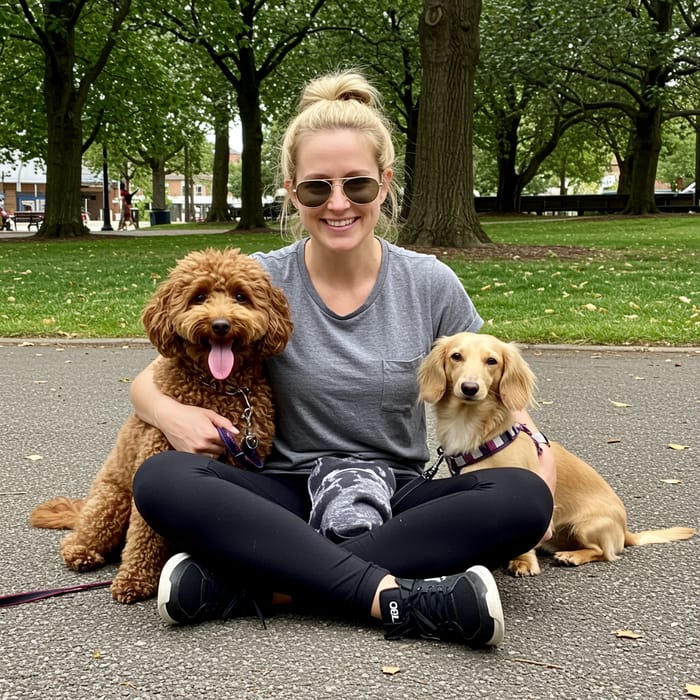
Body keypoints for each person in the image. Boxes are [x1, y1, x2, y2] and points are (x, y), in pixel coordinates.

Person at [130, 70, 555, 648]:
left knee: (525, 497)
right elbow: (151, 379)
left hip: (396, 494)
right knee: (161, 478)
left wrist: (540, 453)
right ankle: (404, 601)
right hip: (284, 491)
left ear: (383, 184)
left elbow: (494, 379)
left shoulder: (430, 283)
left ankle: (256, 584)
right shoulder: (259, 278)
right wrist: (166, 412)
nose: (337, 205)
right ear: (290, 190)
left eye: (356, 186)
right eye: (316, 189)